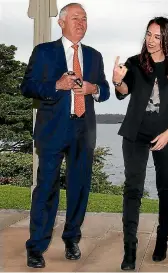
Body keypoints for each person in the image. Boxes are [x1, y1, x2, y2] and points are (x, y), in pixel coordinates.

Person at [21, 3, 110, 269]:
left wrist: (94, 88)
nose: (81, 23)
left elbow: (104, 90)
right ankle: (36, 246)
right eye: (75, 18)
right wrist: (56, 85)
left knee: (79, 188)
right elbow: (27, 86)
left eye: (84, 19)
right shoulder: (44, 52)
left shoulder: (94, 56)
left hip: (84, 131)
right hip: (52, 131)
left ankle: (72, 238)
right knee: (46, 189)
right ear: (61, 22)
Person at [112, 17, 168, 270]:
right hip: (136, 134)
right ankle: (130, 250)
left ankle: (162, 241)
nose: (151, 40)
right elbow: (124, 91)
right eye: (148, 34)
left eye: (157, 36)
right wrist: (117, 80)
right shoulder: (135, 62)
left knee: (165, 188)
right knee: (132, 190)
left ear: (167, 38)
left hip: (166, 136)